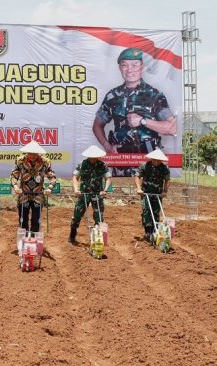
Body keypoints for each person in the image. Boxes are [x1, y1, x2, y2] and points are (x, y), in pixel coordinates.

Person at [92, 47, 177, 176]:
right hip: (121, 164)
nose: (129, 69)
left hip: (150, 161)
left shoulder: (154, 95)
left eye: (134, 64)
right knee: (122, 195)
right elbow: (97, 125)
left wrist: (143, 121)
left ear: (142, 66)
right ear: (120, 68)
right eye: (124, 65)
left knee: (150, 194)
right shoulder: (112, 96)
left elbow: (172, 128)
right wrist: (107, 146)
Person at [10, 141, 57, 233]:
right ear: (27, 152)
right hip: (23, 193)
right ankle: (24, 239)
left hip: (38, 194)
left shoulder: (45, 162)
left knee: (36, 220)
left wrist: (50, 187)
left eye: (35, 154)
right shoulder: (20, 160)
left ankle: (34, 239)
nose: (32, 156)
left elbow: (52, 177)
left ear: (38, 153)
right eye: (30, 154)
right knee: (23, 219)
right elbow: (14, 175)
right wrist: (15, 186)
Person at [68, 145, 112, 244]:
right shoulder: (82, 164)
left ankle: (98, 237)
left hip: (97, 194)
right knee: (77, 214)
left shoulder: (103, 165)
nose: (93, 159)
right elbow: (75, 177)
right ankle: (72, 234)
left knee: (99, 216)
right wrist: (76, 189)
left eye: (95, 157)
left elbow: (108, 178)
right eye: (92, 157)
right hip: (83, 194)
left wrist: (104, 190)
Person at [135, 148, 171, 241]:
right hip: (146, 193)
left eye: (158, 160)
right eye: (154, 159)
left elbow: (167, 180)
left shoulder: (164, 168)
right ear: (152, 158)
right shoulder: (144, 166)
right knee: (146, 211)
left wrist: (165, 191)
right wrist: (139, 188)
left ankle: (156, 231)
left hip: (158, 194)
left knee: (156, 212)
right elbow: (137, 176)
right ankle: (148, 232)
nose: (156, 161)